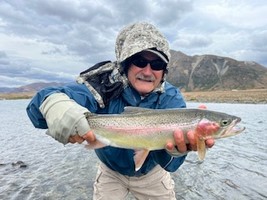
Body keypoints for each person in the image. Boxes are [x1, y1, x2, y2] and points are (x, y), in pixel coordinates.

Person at [26, 22, 214, 200]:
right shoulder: (103, 85)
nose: (148, 72)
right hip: (111, 172)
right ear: (126, 63)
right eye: (140, 61)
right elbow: (38, 109)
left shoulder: (172, 99)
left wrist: (177, 153)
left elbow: (170, 166)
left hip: (152, 175)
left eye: (157, 65)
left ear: (163, 71)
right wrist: (52, 104)